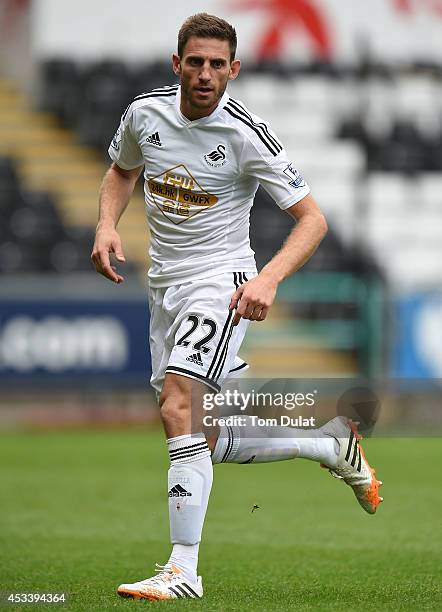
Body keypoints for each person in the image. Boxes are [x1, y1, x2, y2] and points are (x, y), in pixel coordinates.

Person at [91, 13, 383, 602]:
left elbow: (313, 219)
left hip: (220, 285)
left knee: (179, 405)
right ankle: (327, 443)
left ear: (234, 69)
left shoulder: (245, 133)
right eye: (194, 62)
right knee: (209, 433)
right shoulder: (144, 113)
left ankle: (183, 570)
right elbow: (122, 171)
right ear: (177, 64)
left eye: (217, 64)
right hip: (164, 289)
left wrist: (268, 279)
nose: (205, 74)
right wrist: (105, 224)